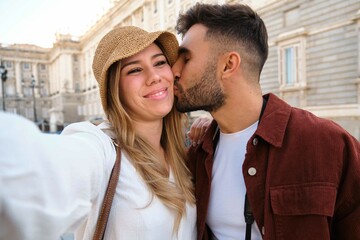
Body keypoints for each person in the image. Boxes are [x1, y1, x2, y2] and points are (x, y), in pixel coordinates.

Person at [171, 3, 360, 240]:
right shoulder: (197, 154)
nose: (173, 71)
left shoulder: (328, 144)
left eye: (185, 59)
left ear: (228, 65)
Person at [0, 26, 197, 240]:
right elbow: (36, 176)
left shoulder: (183, 152)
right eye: (134, 70)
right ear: (115, 89)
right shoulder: (101, 148)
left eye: (159, 63)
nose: (155, 76)